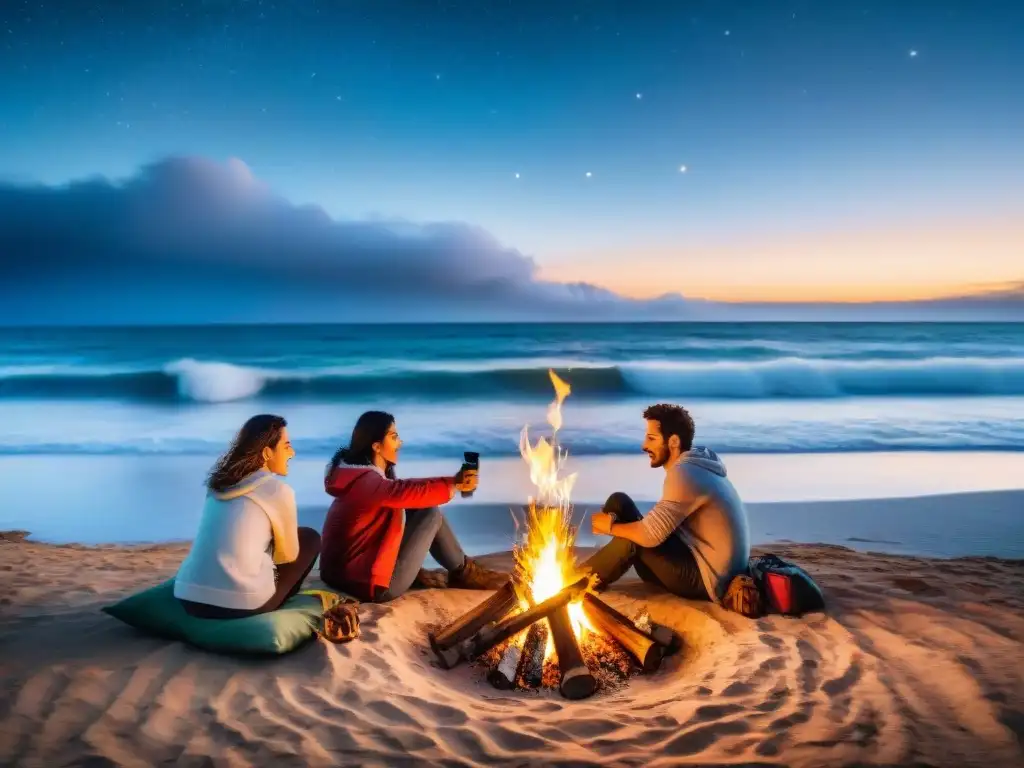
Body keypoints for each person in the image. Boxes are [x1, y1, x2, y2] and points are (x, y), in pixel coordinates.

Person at [319, 410, 507, 602]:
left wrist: (451, 482)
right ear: (376, 446)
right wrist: (453, 484)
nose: (400, 443)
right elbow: (402, 491)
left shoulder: (356, 477)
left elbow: (404, 491)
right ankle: (464, 573)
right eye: (394, 437)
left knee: (417, 508)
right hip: (372, 586)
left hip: (343, 576)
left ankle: (462, 570)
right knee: (430, 514)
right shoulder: (368, 482)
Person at [581, 403, 750, 603]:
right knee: (619, 502)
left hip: (708, 580)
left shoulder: (685, 474)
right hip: (705, 560)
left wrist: (611, 527)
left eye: (652, 439)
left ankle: (581, 581)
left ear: (674, 442)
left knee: (633, 539)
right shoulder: (697, 464)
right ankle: (605, 564)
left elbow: (649, 535)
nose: (644, 446)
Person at [174, 414, 322, 619]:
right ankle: (280, 603)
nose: (292, 452)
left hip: (187, 597)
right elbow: (288, 556)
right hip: (240, 605)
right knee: (309, 538)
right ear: (267, 452)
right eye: (287, 446)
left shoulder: (218, 484)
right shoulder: (277, 490)